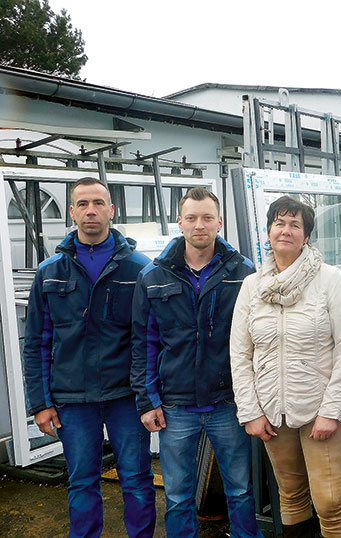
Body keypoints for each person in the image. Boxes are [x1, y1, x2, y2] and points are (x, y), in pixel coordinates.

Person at [23, 177, 155, 538]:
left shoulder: (139, 269)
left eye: (98, 203)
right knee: (82, 483)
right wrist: (41, 403)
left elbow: (148, 340)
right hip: (72, 399)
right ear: (72, 212)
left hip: (125, 397)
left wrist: (149, 397)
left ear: (112, 210)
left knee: (138, 481)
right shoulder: (51, 272)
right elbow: (35, 342)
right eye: (82, 204)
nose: (91, 211)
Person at [131, 187, 262, 538]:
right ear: (180, 222)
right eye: (191, 218)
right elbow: (143, 344)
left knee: (240, 489)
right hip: (175, 405)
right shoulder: (154, 277)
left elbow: (254, 338)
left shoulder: (243, 272)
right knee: (176, 495)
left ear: (219, 222)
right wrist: (148, 401)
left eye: (207, 217)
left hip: (227, 402)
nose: (199, 225)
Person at [229, 196, 341, 538]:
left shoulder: (332, 281)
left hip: (320, 410)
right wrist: (251, 412)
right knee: (290, 497)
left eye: (295, 225)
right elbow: (240, 355)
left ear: (306, 236)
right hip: (272, 411)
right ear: (269, 231)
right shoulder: (252, 286)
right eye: (279, 223)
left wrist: (332, 411)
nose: (286, 230)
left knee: (330, 501)